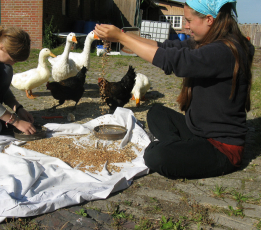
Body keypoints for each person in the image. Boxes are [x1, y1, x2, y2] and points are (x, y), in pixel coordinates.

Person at [94, 0, 254, 179]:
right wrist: (122, 35)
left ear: (209, 19)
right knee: (156, 113)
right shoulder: (208, 42)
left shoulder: (226, 50)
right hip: (197, 131)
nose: (186, 27)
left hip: (221, 148)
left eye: (189, 20)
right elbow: (164, 48)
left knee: (156, 156)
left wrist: (122, 38)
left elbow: (175, 61)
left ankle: (176, 150)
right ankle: (181, 148)